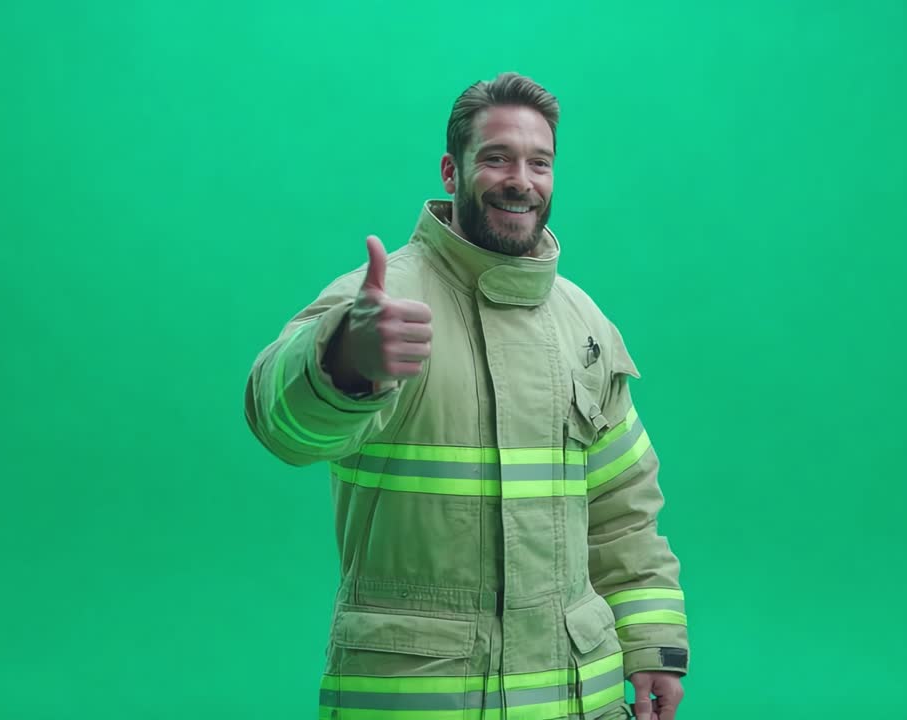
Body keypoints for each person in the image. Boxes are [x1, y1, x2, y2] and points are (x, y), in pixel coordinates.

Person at [244, 72, 688, 720]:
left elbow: (623, 504)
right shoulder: (383, 304)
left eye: (540, 162)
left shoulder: (584, 324)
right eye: (497, 158)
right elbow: (277, 422)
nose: (521, 179)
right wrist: (343, 362)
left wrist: (652, 639)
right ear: (452, 172)